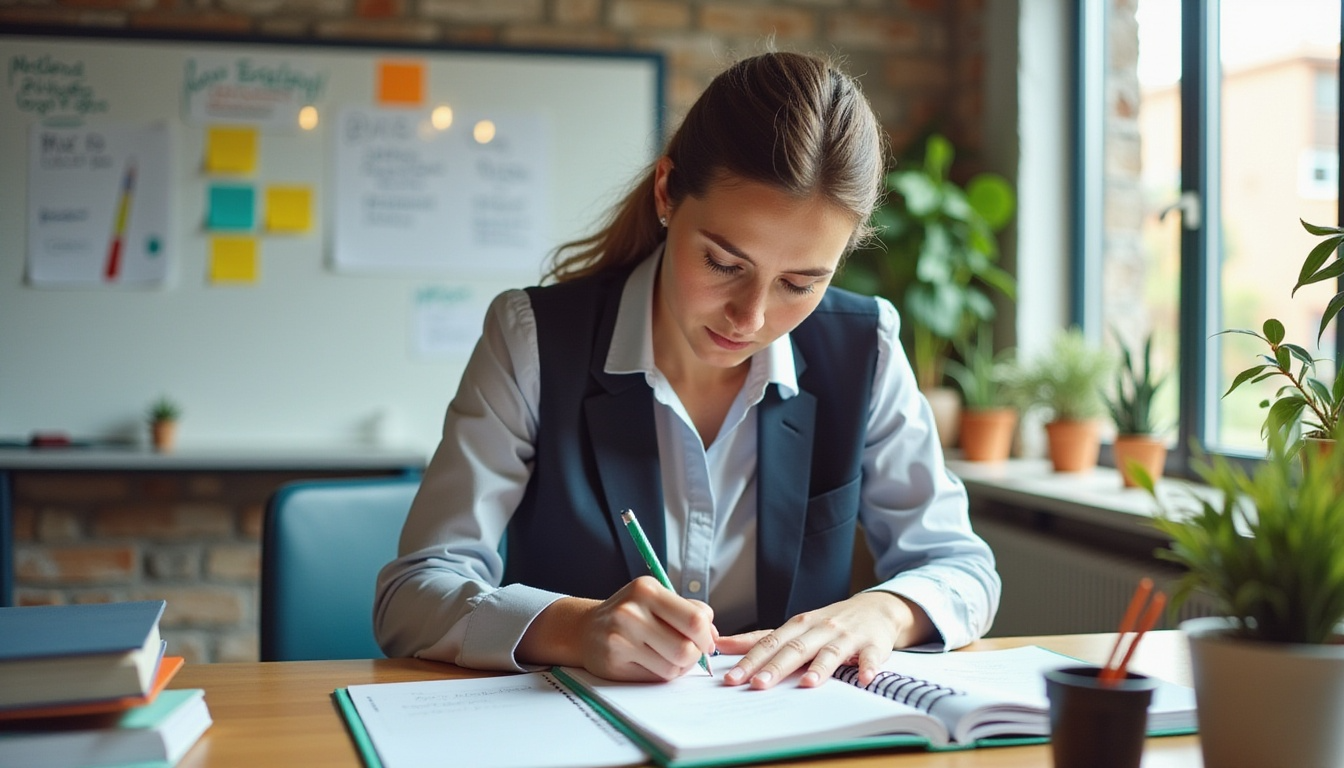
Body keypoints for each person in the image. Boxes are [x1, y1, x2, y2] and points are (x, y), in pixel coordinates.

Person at [374, 50, 1000, 690]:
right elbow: (411, 596)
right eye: (725, 264)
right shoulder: (533, 338)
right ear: (667, 191)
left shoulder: (865, 347)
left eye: (799, 283)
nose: (750, 317)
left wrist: (885, 612)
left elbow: (963, 569)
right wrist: (576, 629)